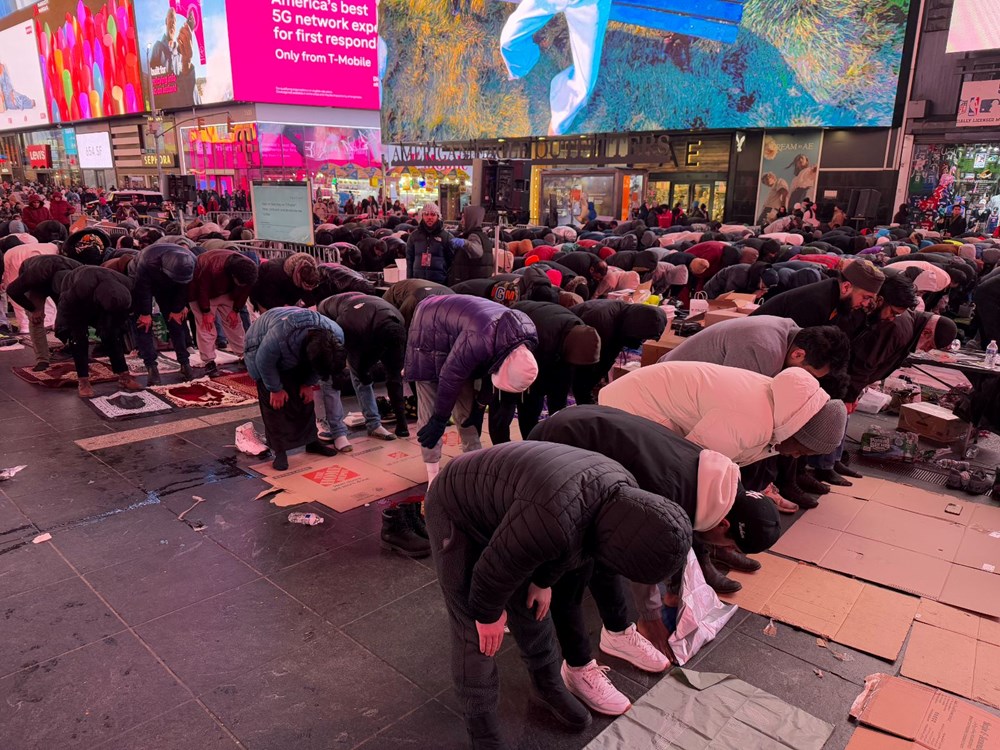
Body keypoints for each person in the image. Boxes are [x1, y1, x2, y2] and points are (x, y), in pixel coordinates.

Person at [426, 440, 692, 748]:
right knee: (475, 635)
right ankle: (482, 732)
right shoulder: (555, 521)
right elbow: (493, 569)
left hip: (520, 510)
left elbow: (578, 545)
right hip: (456, 505)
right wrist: (488, 615)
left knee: (531, 605)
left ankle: (547, 685)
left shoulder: (623, 499)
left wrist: (543, 581)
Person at [529, 406, 781, 673]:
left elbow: (689, 529)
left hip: (582, 426)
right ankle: (578, 655)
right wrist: (650, 617)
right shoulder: (669, 490)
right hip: (555, 448)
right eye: (730, 545)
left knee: (600, 547)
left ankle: (616, 631)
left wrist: (675, 591)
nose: (725, 550)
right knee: (585, 556)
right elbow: (636, 551)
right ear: (725, 524)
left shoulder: (717, 483)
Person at [599, 360, 848, 468]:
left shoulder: (783, 408)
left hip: (645, 399)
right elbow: (689, 464)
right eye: (801, 450)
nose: (794, 457)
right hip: (632, 405)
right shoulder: (752, 421)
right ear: (799, 430)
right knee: (656, 473)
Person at [406, 295, 539, 484]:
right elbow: (451, 376)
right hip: (428, 325)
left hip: (463, 330)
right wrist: (440, 418)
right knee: (430, 417)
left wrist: (480, 404)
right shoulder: (480, 340)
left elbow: (489, 369)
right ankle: (432, 478)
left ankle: (474, 465)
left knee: (467, 411)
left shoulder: (524, 340)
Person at [244, 307, 345, 471]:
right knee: (276, 404)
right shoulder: (279, 337)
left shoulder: (335, 336)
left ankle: (311, 441)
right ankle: (280, 451)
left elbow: (320, 365)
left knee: (304, 399)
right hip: (259, 347)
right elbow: (264, 361)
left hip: (297, 345)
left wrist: (308, 383)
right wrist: (275, 389)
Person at [488, 300, 601, 443]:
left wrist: (559, 420)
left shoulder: (582, 335)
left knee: (535, 406)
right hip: (509, 346)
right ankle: (501, 451)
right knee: (505, 407)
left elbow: (561, 389)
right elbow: (532, 385)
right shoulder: (543, 339)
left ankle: (532, 446)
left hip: (545, 345)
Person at [499, 0, 612, 135]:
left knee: (584, 87)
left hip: (587, 4)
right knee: (508, 42)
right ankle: (522, 65)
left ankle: (557, 125)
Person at [317, 292, 408, 444]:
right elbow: (346, 357)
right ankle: (339, 430)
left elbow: (393, 370)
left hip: (362, 311)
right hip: (331, 313)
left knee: (371, 372)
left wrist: (402, 423)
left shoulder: (398, 321)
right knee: (339, 375)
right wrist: (362, 370)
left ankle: (374, 425)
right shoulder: (351, 326)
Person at [660, 316, 850, 380]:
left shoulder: (788, 332)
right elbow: (730, 400)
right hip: (664, 382)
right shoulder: (764, 349)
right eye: (808, 373)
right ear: (798, 354)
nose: (805, 380)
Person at [53, 266, 143, 398]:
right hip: (79, 305)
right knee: (78, 339)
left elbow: (126, 313)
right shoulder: (76, 291)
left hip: (108, 304)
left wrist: (116, 327)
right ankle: (83, 381)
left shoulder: (128, 285)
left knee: (113, 336)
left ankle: (124, 376)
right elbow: (65, 313)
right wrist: (64, 331)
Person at [569, 299, 666, 404]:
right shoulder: (602, 324)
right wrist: (586, 395)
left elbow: (609, 356)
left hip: (585, 339)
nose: (642, 342)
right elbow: (588, 362)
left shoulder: (625, 316)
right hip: (566, 342)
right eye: (641, 337)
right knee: (579, 381)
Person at [751, 259, 885, 328]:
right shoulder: (815, 302)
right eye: (866, 297)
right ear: (846, 287)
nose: (866, 304)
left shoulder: (835, 297)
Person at [132, 242, 196, 383]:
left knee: (176, 321)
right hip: (140, 281)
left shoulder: (192, 261)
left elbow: (185, 287)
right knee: (143, 324)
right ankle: (151, 367)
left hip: (171, 287)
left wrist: (177, 309)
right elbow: (142, 289)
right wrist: (145, 313)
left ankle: (185, 363)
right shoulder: (147, 261)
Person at [188, 248, 258, 375]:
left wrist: (236, 309)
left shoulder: (249, 271)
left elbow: (245, 291)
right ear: (234, 276)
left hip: (226, 291)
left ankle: (243, 355)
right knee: (206, 326)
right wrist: (206, 311)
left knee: (234, 322)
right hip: (201, 293)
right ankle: (209, 361)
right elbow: (202, 288)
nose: (242, 285)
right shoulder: (211, 266)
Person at [6, 255, 81, 371]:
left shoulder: (79, 272)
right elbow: (12, 290)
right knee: (36, 319)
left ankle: (75, 350)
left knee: (72, 315)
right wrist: (33, 309)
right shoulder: (34, 276)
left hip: (62, 280)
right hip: (37, 281)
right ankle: (42, 360)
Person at [249, 253, 320, 311]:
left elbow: (309, 297)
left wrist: (309, 306)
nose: (310, 289)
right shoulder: (274, 273)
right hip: (262, 292)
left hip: (281, 293)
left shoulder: (309, 274)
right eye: (306, 286)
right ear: (298, 278)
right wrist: (283, 307)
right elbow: (269, 299)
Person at [405, 202, 453, 284]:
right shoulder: (414, 236)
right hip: (418, 282)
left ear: (438, 216)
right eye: (426, 214)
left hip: (440, 283)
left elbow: (452, 264)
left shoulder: (447, 237)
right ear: (422, 216)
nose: (429, 217)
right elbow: (409, 260)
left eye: (433, 214)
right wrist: (409, 281)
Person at [448, 205, 495, 285]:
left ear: (471, 218)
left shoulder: (473, 236)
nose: (461, 221)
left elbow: (478, 251)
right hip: (479, 283)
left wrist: (465, 243)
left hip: (470, 284)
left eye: (464, 217)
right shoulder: (483, 236)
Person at [382, 278, 455, 328]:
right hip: (397, 293)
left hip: (420, 290)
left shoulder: (454, 301)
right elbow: (403, 322)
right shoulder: (415, 300)